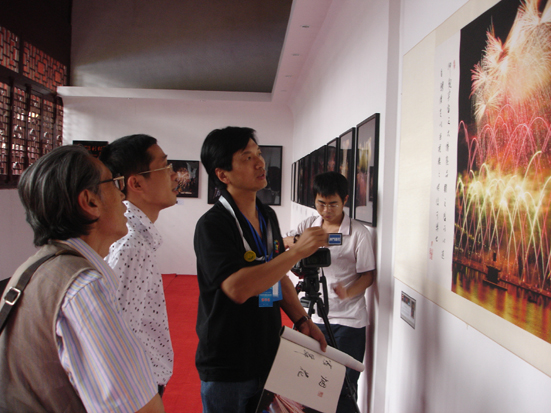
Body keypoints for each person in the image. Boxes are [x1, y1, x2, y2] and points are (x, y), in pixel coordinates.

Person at [0, 145, 164, 413]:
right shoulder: (85, 286)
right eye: (113, 183)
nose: (122, 194)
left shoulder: (36, 268)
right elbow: (137, 408)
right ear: (90, 202)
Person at [194, 126, 328, 413]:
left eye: (258, 154)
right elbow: (238, 288)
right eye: (247, 157)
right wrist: (297, 252)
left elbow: (277, 275)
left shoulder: (267, 216)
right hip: (228, 364)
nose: (260, 162)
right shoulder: (213, 225)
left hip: (268, 356)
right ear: (223, 175)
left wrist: (302, 320)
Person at [284, 171, 376, 413]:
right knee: (311, 384)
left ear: (345, 200)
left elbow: (368, 275)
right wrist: (300, 243)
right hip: (313, 317)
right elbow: (284, 243)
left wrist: (348, 291)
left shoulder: (358, 233)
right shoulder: (308, 226)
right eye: (321, 203)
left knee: (342, 387)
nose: (326, 210)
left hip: (348, 320)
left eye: (333, 204)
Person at [99, 134, 178, 395]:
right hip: (138, 385)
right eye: (165, 167)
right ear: (136, 183)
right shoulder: (133, 246)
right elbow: (119, 337)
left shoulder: (132, 238)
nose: (174, 175)